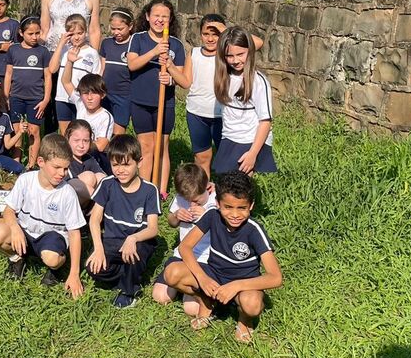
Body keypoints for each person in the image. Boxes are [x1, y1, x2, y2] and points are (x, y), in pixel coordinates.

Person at [163, 171, 283, 343]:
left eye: (241, 208)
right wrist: (202, 278)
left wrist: (236, 286)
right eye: (228, 207)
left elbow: (276, 277)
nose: (234, 214)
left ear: (251, 206)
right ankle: (206, 302)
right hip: (214, 275)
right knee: (172, 273)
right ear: (218, 204)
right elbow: (185, 247)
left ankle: (244, 321)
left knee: (252, 304)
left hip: (243, 284)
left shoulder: (254, 230)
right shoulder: (212, 216)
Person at [0, 134, 85, 299]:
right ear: (41, 162)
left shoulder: (67, 193)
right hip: (25, 233)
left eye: (66, 168)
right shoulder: (26, 180)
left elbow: (75, 234)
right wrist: (15, 228)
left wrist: (74, 274)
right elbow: (8, 210)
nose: (62, 173)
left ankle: (56, 269)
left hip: (51, 237)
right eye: (57, 167)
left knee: (52, 258)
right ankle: (17, 258)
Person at [86, 135, 161, 308]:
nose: (120, 170)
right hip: (112, 241)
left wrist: (133, 238)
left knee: (135, 254)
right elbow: (95, 220)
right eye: (115, 165)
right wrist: (98, 249)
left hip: (138, 241)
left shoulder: (150, 190)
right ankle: (128, 274)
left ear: (139, 162)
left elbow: (152, 228)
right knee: (92, 267)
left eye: (126, 164)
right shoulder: (107, 184)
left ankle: (129, 291)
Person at [186, 14, 265, 174]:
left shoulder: (227, 55)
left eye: (215, 34)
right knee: (202, 158)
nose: (210, 39)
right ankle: (204, 195)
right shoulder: (194, 53)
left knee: (231, 159)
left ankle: (231, 194)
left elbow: (257, 43)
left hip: (224, 115)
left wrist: (226, 31)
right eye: (206, 34)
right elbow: (186, 81)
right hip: (197, 112)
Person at [126, 0, 189, 194]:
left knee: (162, 146)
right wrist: (154, 52)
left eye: (165, 17)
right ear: (147, 16)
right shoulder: (138, 39)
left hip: (165, 102)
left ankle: (160, 191)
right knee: (146, 146)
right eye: (156, 16)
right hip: (140, 101)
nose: (160, 20)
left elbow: (181, 77)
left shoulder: (176, 45)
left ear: (170, 20)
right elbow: (132, 65)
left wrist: (169, 77)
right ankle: (146, 189)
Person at [40, 0, 101, 133]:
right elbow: (45, 28)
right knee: (53, 103)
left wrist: (93, 55)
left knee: (79, 100)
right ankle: (51, 146)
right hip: (55, 53)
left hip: (81, 54)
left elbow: (95, 28)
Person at [152, 163, 217, 315]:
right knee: (160, 296)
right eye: (188, 200)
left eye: (197, 201)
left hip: (205, 258)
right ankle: (184, 288)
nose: (192, 204)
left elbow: (226, 230)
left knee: (191, 309)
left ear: (207, 186)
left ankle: (193, 293)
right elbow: (171, 222)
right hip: (181, 256)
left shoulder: (216, 199)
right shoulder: (181, 198)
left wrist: (208, 217)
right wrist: (176, 216)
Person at [213, 26, 278, 175]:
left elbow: (265, 121)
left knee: (240, 190)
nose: (235, 60)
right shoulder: (224, 77)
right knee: (224, 186)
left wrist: (253, 153)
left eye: (240, 54)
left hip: (250, 141)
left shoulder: (258, 81)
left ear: (250, 50)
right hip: (229, 138)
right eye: (230, 56)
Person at [3, 16, 52, 169]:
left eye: (37, 33)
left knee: (33, 131)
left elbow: (48, 76)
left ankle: (31, 164)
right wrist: (6, 96)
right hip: (16, 96)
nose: (34, 37)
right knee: (17, 130)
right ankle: (16, 164)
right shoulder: (13, 50)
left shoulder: (43, 51)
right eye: (30, 34)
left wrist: (45, 100)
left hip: (35, 99)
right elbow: (9, 74)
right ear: (21, 33)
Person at [49, 13, 103, 134]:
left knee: (80, 131)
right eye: (72, 34)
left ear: (86, 32)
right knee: (65, 133)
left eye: (80, 33)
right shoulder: (64, 50)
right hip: (63, 98)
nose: (76, 37)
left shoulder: (92, 53)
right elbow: (52, 69)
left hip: (81, 99)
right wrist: (61, 44)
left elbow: (96, 80)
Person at [61, 68, 114, 156]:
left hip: (95, 157)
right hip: (76, 153)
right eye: (85, 93)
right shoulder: (80, 103)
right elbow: (66, 82)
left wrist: (79, 145)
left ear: (102, 95)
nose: (89, 98)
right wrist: (69, 61)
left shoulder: (106, 117)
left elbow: (101, 145)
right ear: (80, 94)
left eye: (94, 93)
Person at [100, 7, 134, 135]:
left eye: (120, 29)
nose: (116, 32)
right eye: (113, 29)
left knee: (118, 132)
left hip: (124, 95)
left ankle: (118, 155)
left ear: (130, 26)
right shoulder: (106, 43)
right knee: (103, 130)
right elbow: (102, 68)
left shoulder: (134, 44)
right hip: (105, 94)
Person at [63, 120, 105, 208]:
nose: (81, 145)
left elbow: (105, 180)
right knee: (89, 177)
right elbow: (71, 185)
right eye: (76, 140)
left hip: (88, 202)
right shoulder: (64, 159)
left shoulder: (89, 159)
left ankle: (96, 212)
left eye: (85, 141)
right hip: (67, 203)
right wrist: (102, 199)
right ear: (67, 139)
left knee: (101, 177)